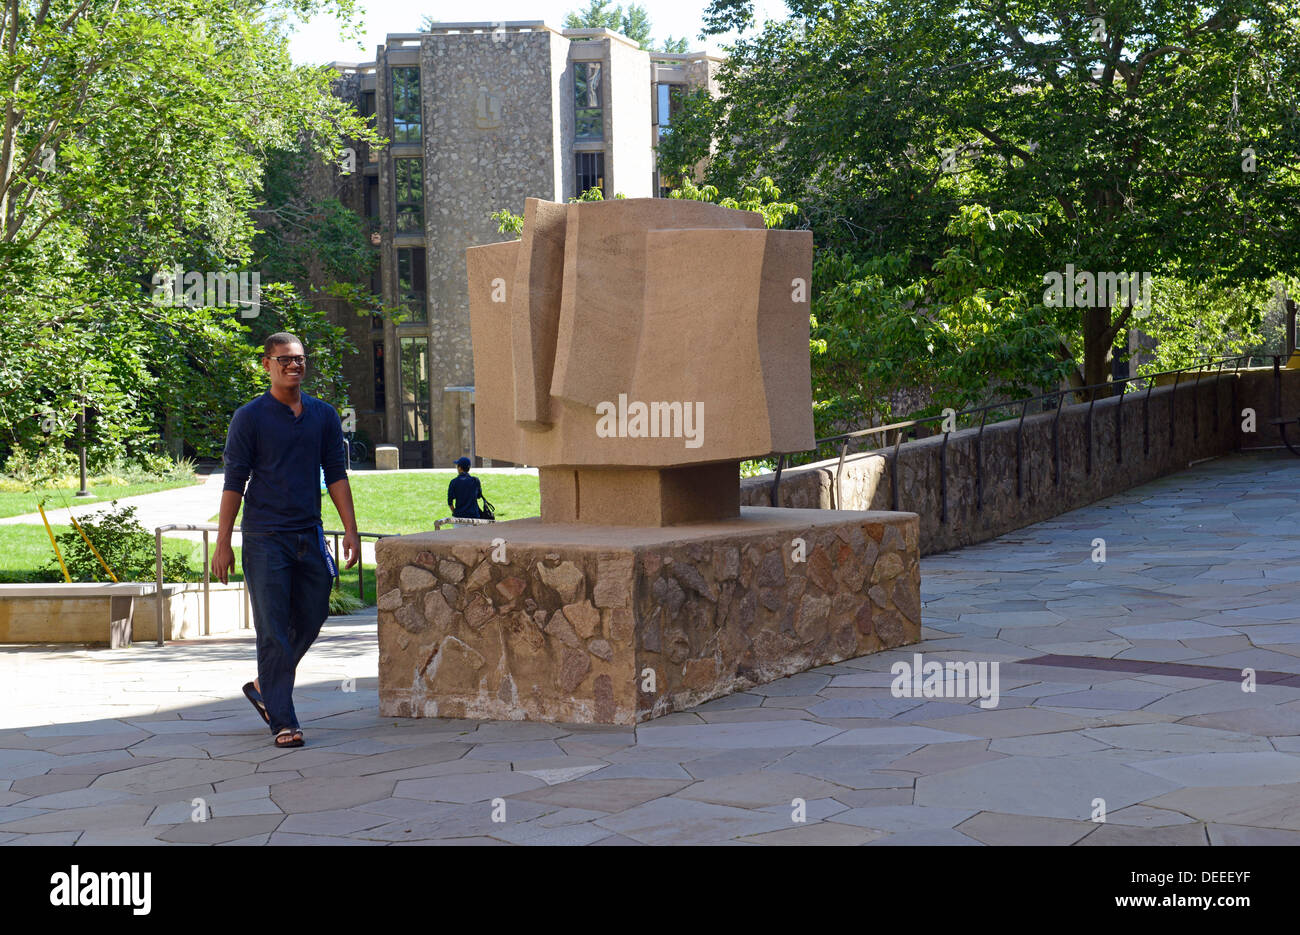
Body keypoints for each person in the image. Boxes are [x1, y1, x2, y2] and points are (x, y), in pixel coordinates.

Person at [211, 333, 360, 749]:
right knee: (273, 630)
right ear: (267, 365)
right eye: (285, 360)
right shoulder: (250, 417)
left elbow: (336, 474)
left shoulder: (324, 415)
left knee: (312, 616)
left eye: (299, 360)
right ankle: (284, 721)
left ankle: (264, 685)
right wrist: (223, 542)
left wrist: (349, 528)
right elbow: (233, 482)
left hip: (309, 533)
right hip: (264, 537)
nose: (294, 366)